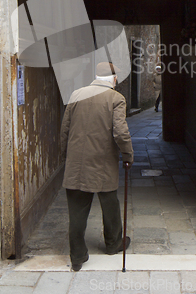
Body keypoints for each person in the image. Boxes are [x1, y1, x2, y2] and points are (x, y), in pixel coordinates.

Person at [60, 61, 134, 271]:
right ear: (112, 78)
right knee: (110, 204)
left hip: (76, 163)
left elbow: (65, 129)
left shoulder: (76, 95)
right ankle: (113, 243)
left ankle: (77, 256)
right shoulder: (116, 98)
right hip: (103, 163)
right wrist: (128, 155)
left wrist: (66, 155)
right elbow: (120, 132)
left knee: (76, 211)